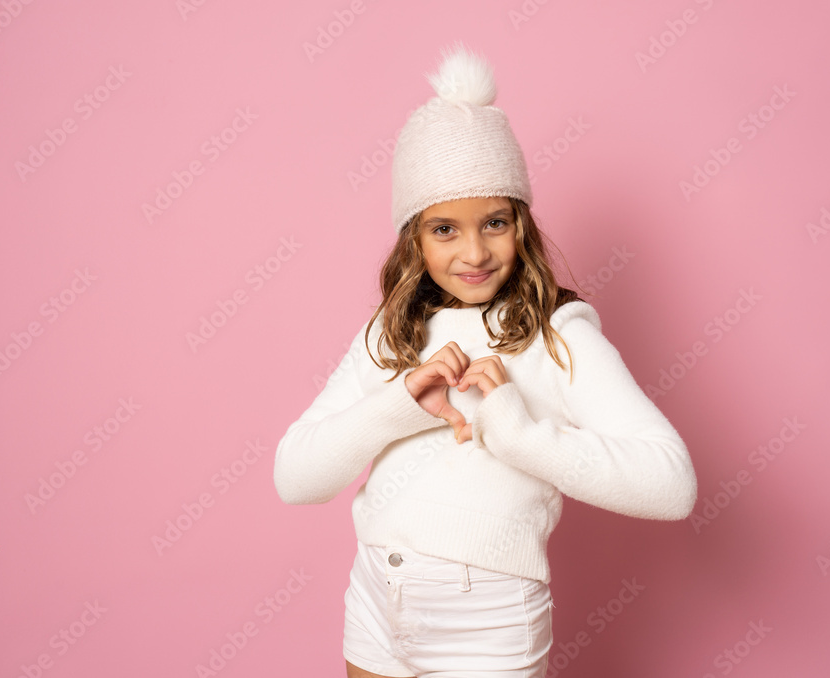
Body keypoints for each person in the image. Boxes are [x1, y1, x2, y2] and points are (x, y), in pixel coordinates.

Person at [274, 43, 698, 678]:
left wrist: (518, 434)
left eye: (494, 221)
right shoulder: (390, 333)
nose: (474, 251)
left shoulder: (558, 335)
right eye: (445, 228)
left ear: (521, 223)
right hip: (374, 601)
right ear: (413, 237)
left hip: (487, 622)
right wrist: (397, 409)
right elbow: (295, 478)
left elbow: (672, 485)